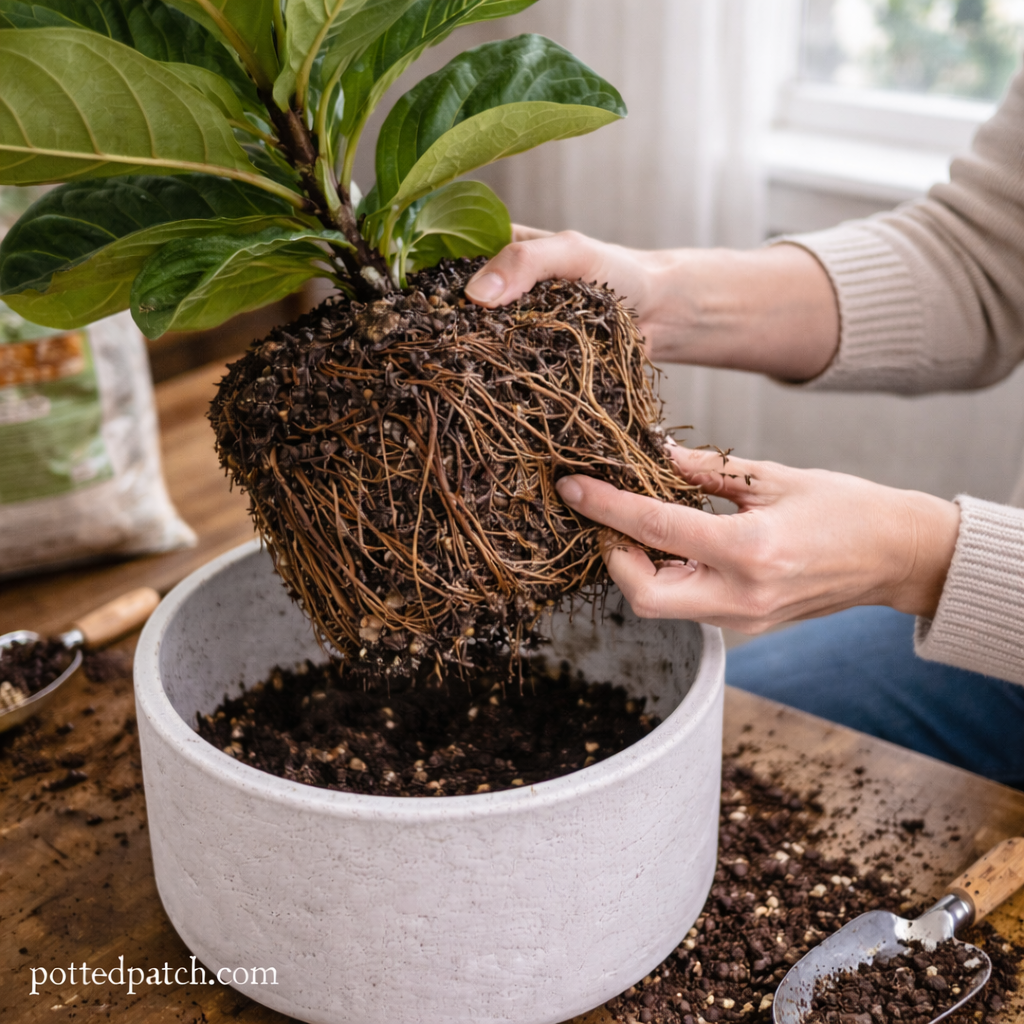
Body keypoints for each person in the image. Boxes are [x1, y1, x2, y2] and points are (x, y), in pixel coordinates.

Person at [464, 65, 1024, 790]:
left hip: (983, 594)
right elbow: (982, 264)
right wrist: (664, 296)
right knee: (654, 752)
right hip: (995, 634)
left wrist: (920, 559)